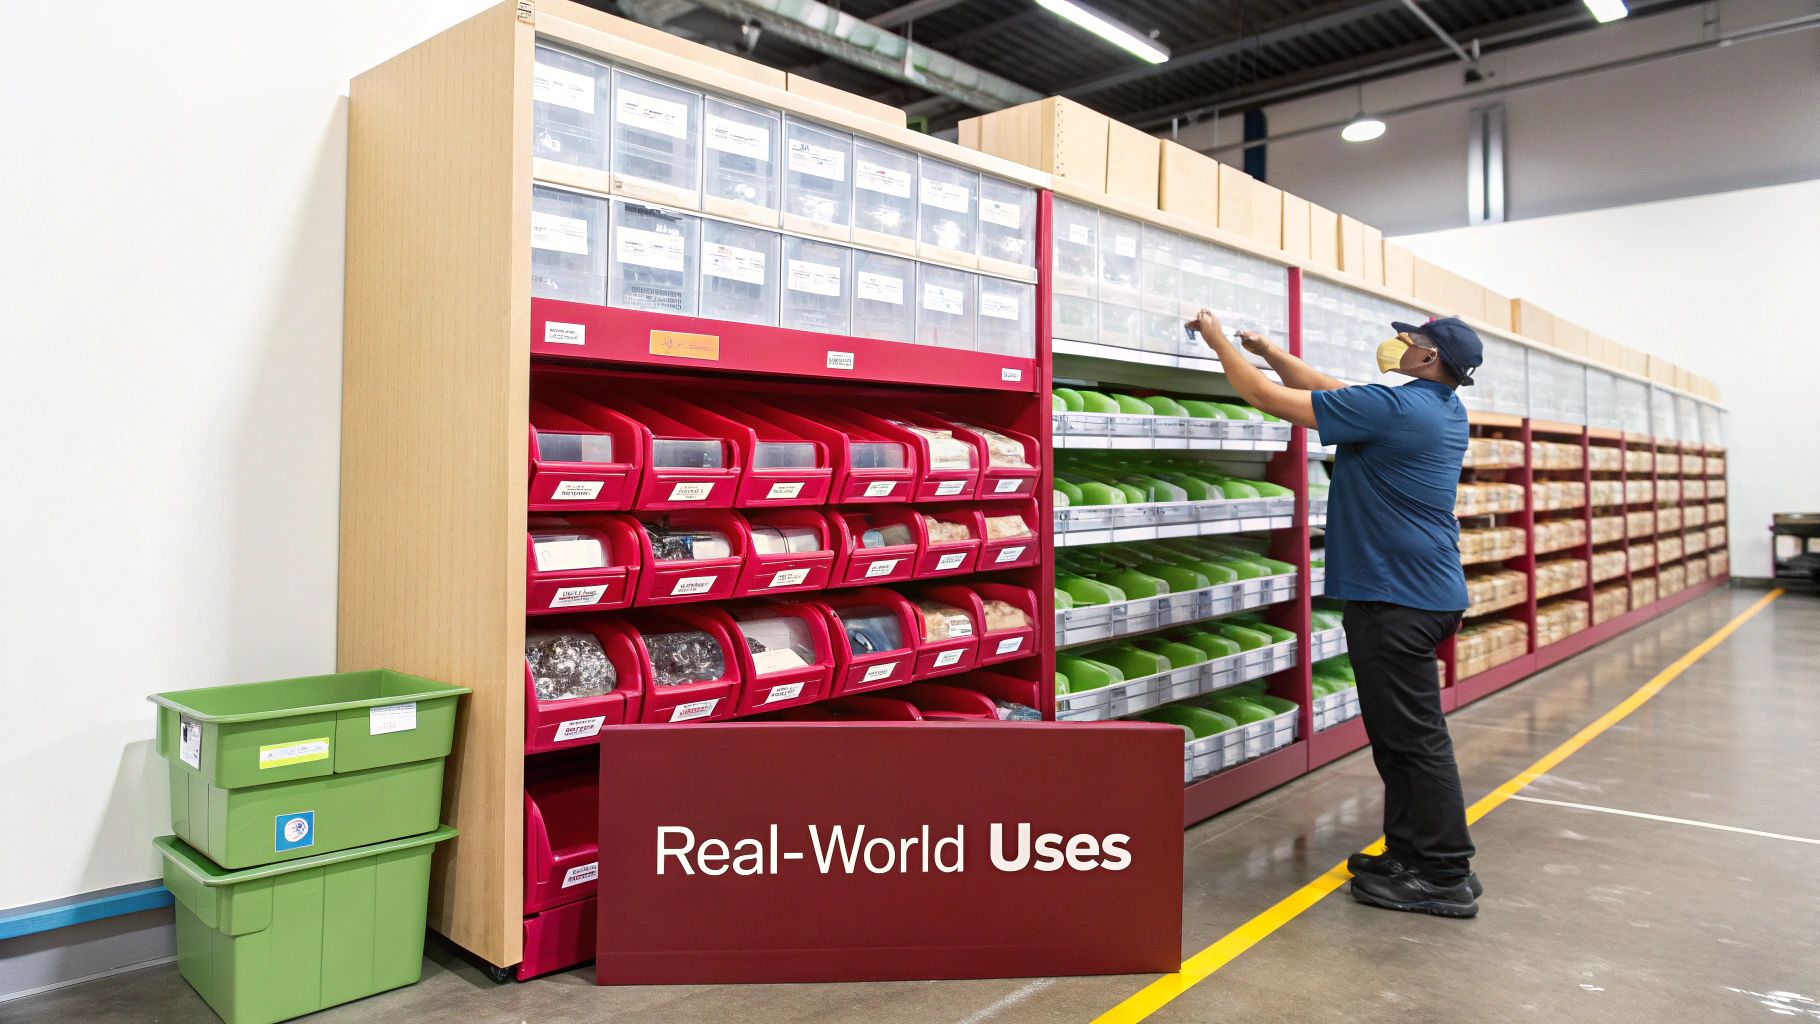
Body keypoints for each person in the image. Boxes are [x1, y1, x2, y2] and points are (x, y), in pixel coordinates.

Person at [1186, 309, 1485, 919]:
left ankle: (1444, 872)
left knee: (1415, 740)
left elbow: (1261, 395)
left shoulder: (1397, 409)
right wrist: (1267, 346)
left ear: (1429, 360)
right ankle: (1410, 853)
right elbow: (1324, 386)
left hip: (1398, 597)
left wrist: (1216, 339)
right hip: (1415, 590)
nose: (1399, 342)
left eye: (1412, 340)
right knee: (1399, 740)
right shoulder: (1435, 406)